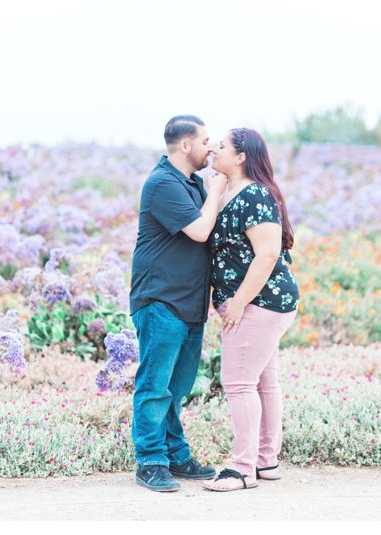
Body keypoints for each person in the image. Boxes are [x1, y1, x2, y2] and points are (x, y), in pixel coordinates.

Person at [129, 115, 227, 492]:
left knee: (178, 385)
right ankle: (150, 461)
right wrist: (215, 191)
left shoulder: (190, 183)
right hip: (161, 300)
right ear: (185, 146)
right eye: (206, 141)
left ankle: (175, 454)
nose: (211, 147)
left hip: (188, 303)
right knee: (155, 386)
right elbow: (201, 231)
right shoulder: (162, 184)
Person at [202, 128, 300, 492]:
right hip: (261, 301)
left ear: (241, 156)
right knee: (262, 382)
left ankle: (242, 470)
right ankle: (266, 461)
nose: (214, 149)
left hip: (258, 302)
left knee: (239, 383)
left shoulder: (255, 194)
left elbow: (268, 253)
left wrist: (238, 303)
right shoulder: (232, 192)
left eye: (222, 146)